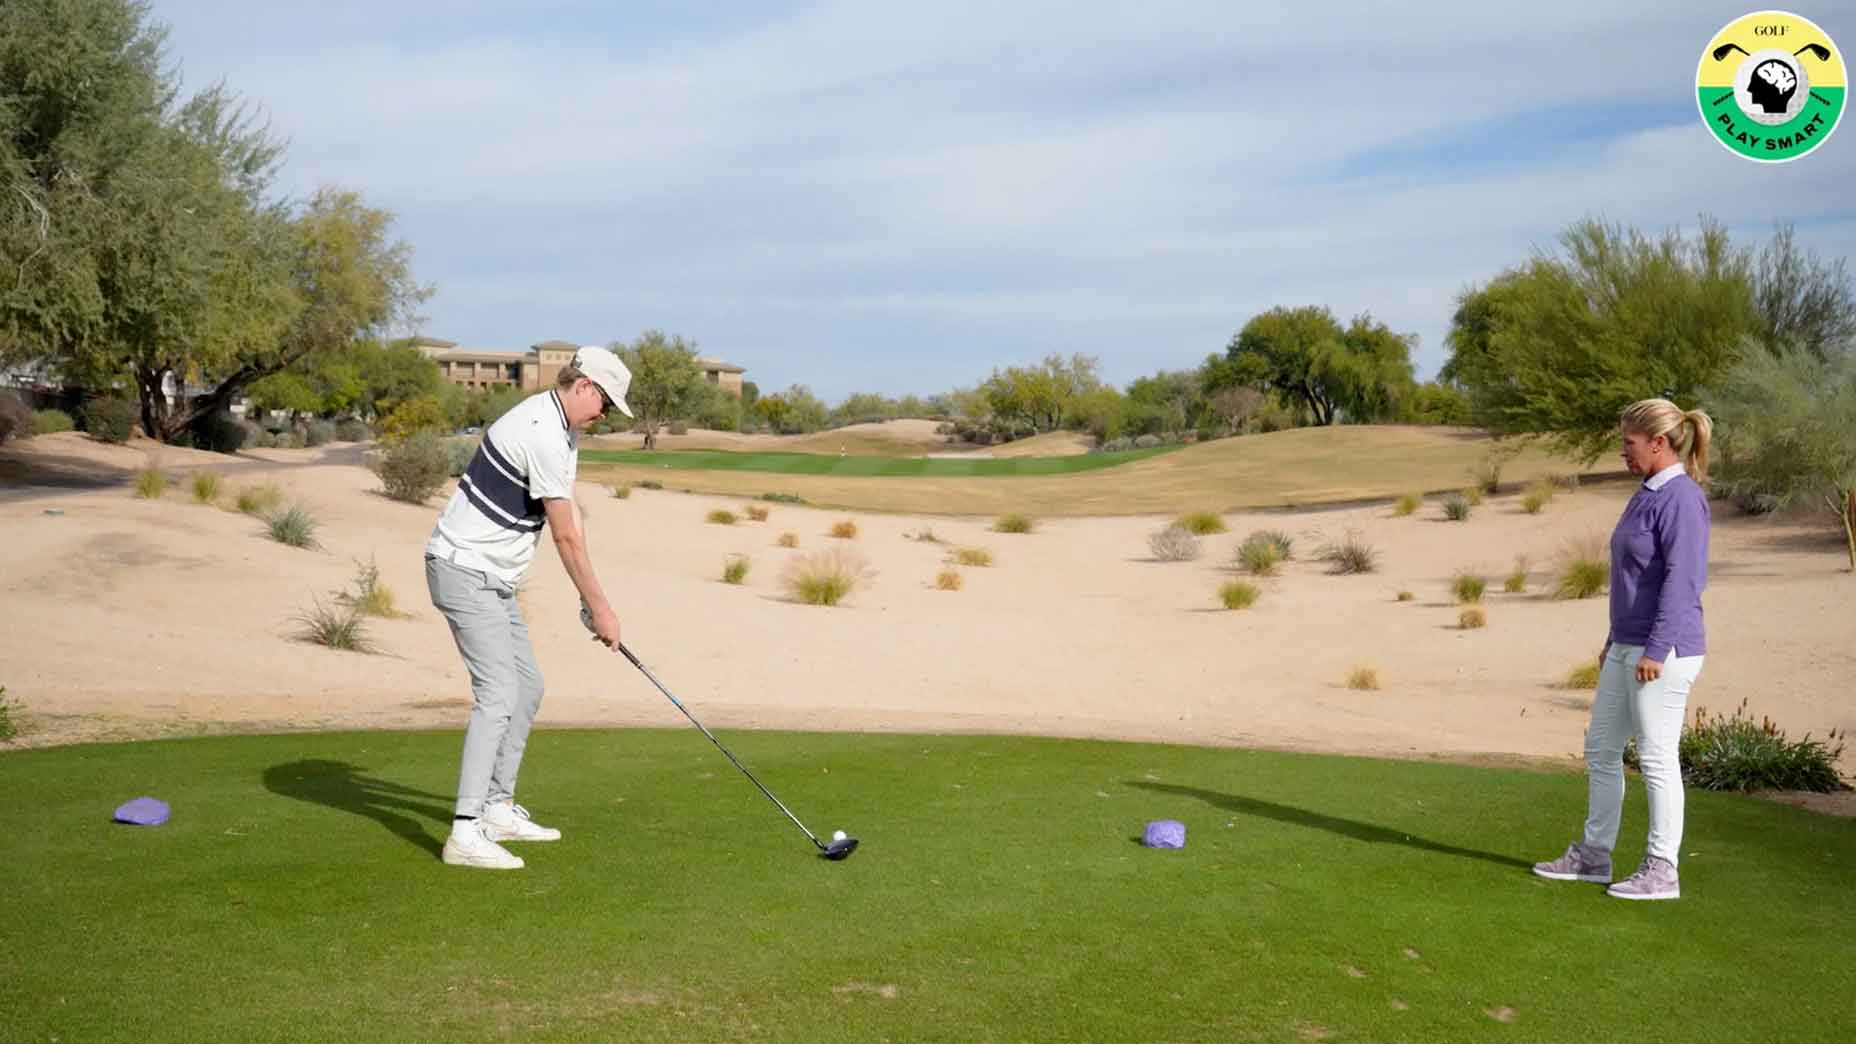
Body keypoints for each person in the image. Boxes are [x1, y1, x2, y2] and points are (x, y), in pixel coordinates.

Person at [425, 346, 631, 870]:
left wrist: (588, 600)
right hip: (464, 571)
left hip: (494, 579)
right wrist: (602, 608)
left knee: (528, 687)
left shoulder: (564, 429)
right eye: (606, 403)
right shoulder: (542, 431)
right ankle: (465, 831)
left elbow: (571, 516)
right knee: (497, 694)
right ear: (583, 386)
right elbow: (563, 537)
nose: (606, 414)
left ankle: (496, 809)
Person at [1533, 399, 1713, 901]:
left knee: (1655, 756)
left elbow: (1683, 581)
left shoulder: (1682, 499)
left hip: (1665, 651)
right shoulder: (1645, 494)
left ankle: (1662, 869)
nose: (1622, 452)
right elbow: (1633, 580)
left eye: (1628, 443)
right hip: (1627, 645)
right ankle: (1595, 855)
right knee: (1601, 748)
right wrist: (1613, 642)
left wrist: (1656, 648)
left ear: (1658, 443)